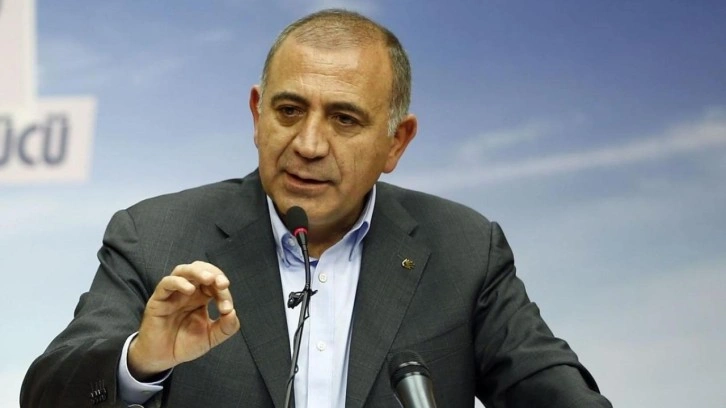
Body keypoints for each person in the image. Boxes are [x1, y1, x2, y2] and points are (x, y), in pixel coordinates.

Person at [21, 9, 612, 408]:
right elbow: (45, 394)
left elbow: (553, 391)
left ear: (396, 142)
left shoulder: (464, 249)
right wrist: (141, 363)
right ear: (257, 114)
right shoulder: (155, 236)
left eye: (344, 119)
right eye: (288, 111)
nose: (307, 144)